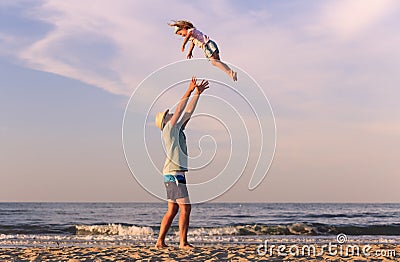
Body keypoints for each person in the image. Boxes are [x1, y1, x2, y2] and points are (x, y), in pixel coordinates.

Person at [155, 77, 209, 249]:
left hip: (173, 173)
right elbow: (180, 109)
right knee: (186, 208)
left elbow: (187, 113)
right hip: (173, 173)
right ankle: (183, 242)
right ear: (165, 121)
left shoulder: (177, 129)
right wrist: (189, 89)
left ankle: (160, 241)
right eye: (167, 115)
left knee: (173, 210)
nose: (170, 114)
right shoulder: (169, 129)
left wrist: (197, 94)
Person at [168, 20, 237, 82]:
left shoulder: (190, 31)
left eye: (181, 33)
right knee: (218, 62)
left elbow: (187, 36)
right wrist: (190, 52)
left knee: (214, 62)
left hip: (207, 45)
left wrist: (183, 45)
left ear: (184, 28)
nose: (182, 36)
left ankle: (230, 72)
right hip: (209, 45)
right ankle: (231, 73)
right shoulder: (192, 35)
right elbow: (193, 43)